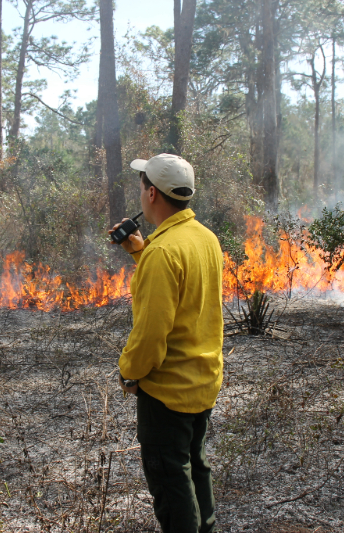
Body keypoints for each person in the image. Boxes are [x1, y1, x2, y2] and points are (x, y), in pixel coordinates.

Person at [108, 153, 224, 533]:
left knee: (172, 484)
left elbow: (151, 336)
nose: (140, 193)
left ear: (153, 194)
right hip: (202, 382)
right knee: (195, 467)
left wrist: (128, 371)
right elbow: (183, 293)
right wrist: (140, 251)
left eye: (142, 185)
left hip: (167, 394)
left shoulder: (162, 252)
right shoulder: (205, 238)